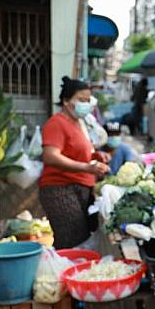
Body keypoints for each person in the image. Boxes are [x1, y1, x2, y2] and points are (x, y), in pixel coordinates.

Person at [39, 77, 110, 249]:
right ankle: (63, 274)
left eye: (87, 100)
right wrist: (87, 167)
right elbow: (50, 156)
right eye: (81, 100)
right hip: (60, 190)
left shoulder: (79, 123)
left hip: (80, 188)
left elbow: (78, 152)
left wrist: (97, 156)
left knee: (81, 238)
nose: (85, 104)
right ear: (66, 101)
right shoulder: (57, 123)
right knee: (71, 241)